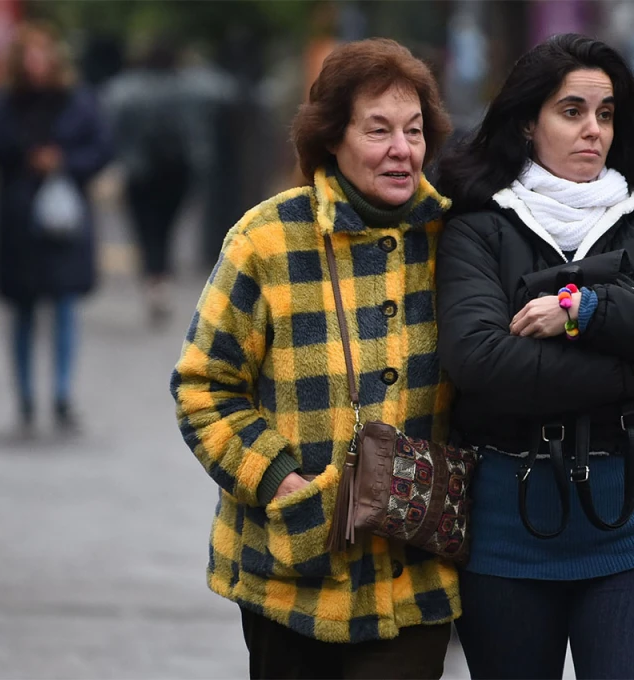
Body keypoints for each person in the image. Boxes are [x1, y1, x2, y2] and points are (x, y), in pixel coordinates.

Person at [435, 34, 634, 679]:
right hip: (505, 537)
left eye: (605, 113)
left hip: (631, 531)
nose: (593, 129)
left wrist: (587, 310)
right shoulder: (479, 229)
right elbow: (483, 364)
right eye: (572, 111)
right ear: (528, 123)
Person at [171, 39, 458, 678]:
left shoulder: (455, 239)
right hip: (290, 571)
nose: (402, 149)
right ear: (332, 138)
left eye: (413, 131)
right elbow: (202, 387)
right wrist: (281, 480)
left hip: (414, 577)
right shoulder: (267, 239)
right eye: (378, 130)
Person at [0, 22, 113, 434]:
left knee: (65, 306)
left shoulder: (78, 102)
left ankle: (62, 395)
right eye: (28, 55)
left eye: (41, 54)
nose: (35, 63)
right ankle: (26, 397)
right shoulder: (2, 106)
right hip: (19, 225)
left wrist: (64, 162)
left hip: (65, 222)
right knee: (23, 312)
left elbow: (103, 149)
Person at [104, 35, 211, 328]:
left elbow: (112, 119)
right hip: (180, 169)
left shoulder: (127, 89)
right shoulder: (190, 88)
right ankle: (161, 278)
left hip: (139, 170)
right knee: (167, 228)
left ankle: (154, 279)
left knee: (145, 228)